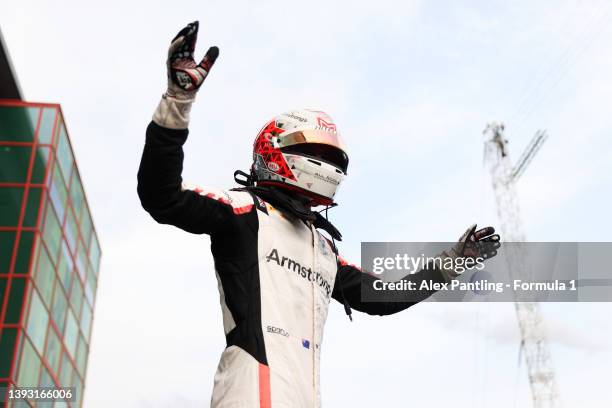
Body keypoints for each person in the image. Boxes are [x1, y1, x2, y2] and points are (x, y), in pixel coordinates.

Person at [137, 21, 500, 408]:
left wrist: (454, 261)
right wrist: (178, 101)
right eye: (317, 154)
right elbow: (162, 197)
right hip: (248, 390)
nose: (325, 165)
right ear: (275, 152)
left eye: (331, 158)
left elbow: (385, 297)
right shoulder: (242, 211)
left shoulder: (323, 249)